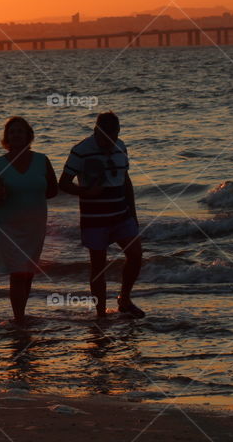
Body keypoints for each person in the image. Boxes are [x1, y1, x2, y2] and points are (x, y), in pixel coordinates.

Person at [58, 111, 144, 319]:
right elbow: (63, 183)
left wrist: (132, 212)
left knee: (135, 255)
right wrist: (85, 192)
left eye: (113, 136)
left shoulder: (121, 146)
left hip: (121, 214)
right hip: (94, 218)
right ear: (96, 131)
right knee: (98, 267)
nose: (109, 141)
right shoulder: (80, 151)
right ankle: (100, 314)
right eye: (104, 136)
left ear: (118, 133)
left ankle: (124, 299)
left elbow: (126, 179)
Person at [0, 116, 58, 325]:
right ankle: (19, 319)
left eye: (20, 131)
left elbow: (53, 190)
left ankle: (21, 314)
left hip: (35, 224)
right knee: (18, 272)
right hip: (7, 225)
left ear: (28, 136)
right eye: (12, 132)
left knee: (28, 271)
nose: (16, 135)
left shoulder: (42, 160)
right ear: (6, 138)